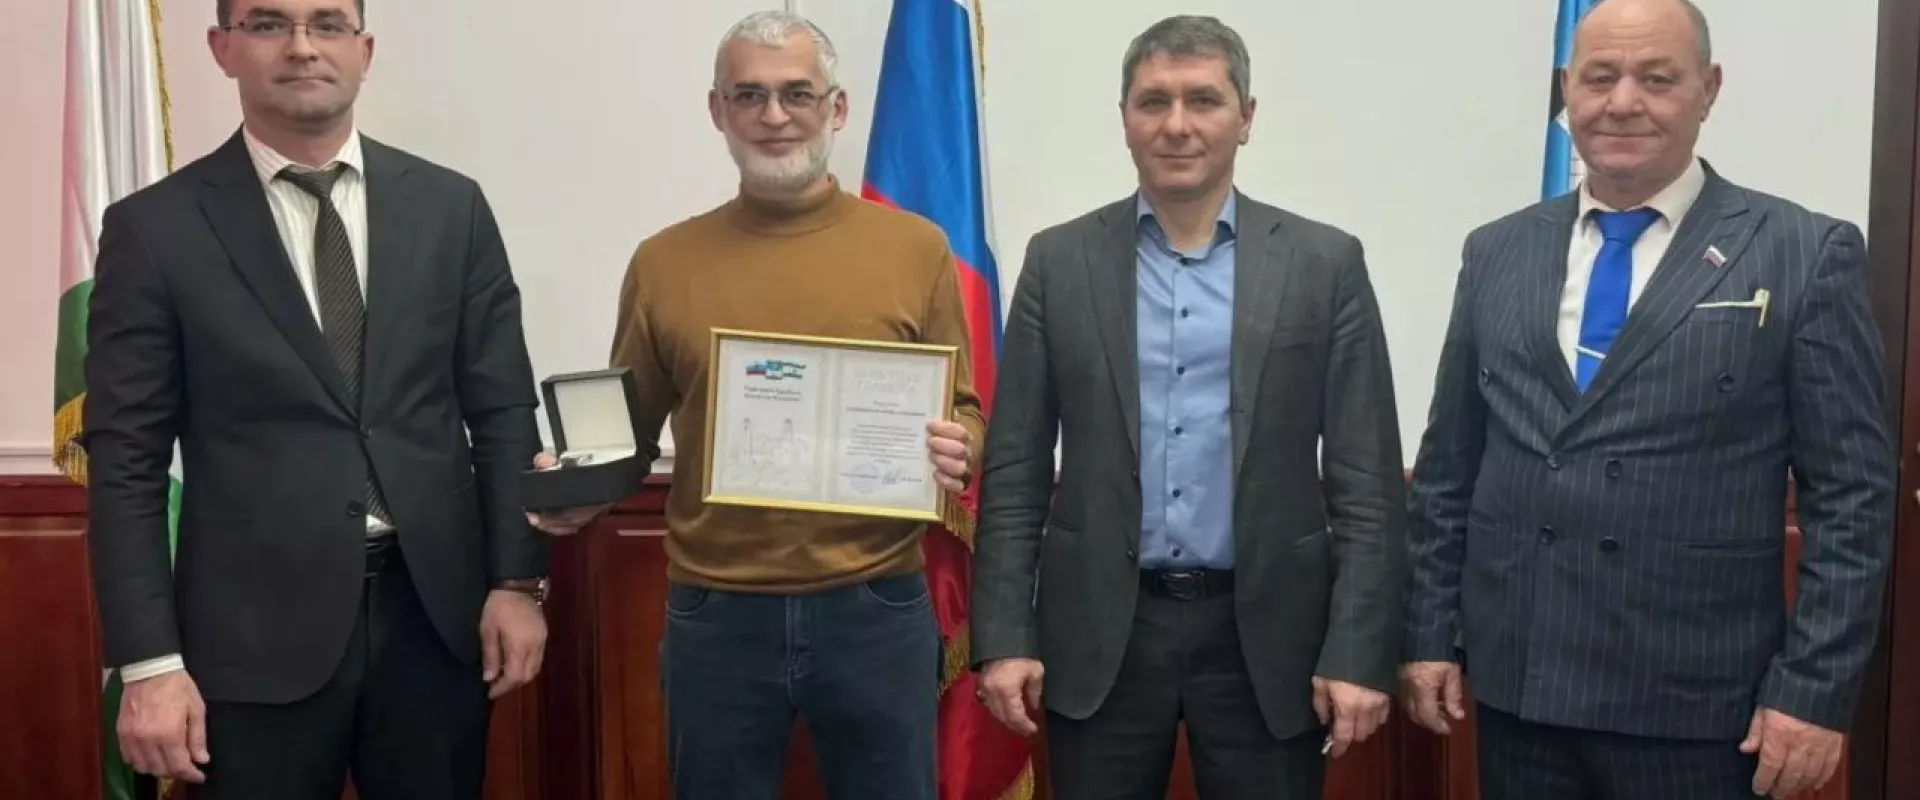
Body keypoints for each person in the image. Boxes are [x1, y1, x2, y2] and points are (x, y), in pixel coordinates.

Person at [1400, 0, 1896, 797]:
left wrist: (1812, 690)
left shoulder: (1802, 251)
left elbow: (1853, 499)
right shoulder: (1497, 250)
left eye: (1657, 79)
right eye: (1599, 78)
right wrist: (1429, 633)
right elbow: (1449, 466)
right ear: (1566, 89)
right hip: (1522, 690)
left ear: (1709, 89)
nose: (1623, 102)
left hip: (1700, 706)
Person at [81, 1, 549, 797]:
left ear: (365, 50)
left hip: (437, 624)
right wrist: (150, 664)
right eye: (269, 24)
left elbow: (502, 411)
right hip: (249, 644)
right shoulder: (155, 230)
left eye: (327, 23)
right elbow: (126, 463)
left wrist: (517, 582)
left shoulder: (452, 208)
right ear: (222, 48)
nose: (302, 47)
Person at [526, 10, 980, 800]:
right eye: (750, 95)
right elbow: (628, 436)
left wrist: (960, 445)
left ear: (837, 108)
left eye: (797, 93)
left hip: (875, 604)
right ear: (718, 110)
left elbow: (964, 410)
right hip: (717, 611)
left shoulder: (917, 250)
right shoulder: (663, 262)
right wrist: (577, 484)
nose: (775, 116)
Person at [968, 15, 1407, 799]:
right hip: (1100, 635)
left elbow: (1367, 483)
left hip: (1269, 639)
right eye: (1154, 102)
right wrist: (1003, 636)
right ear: (1124, 119)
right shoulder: (1059, 262)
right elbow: (1016, 470)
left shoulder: (1324, 264)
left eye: (1203, 100)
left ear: (1246, 116)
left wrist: (1356, 650)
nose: (1177, 125)